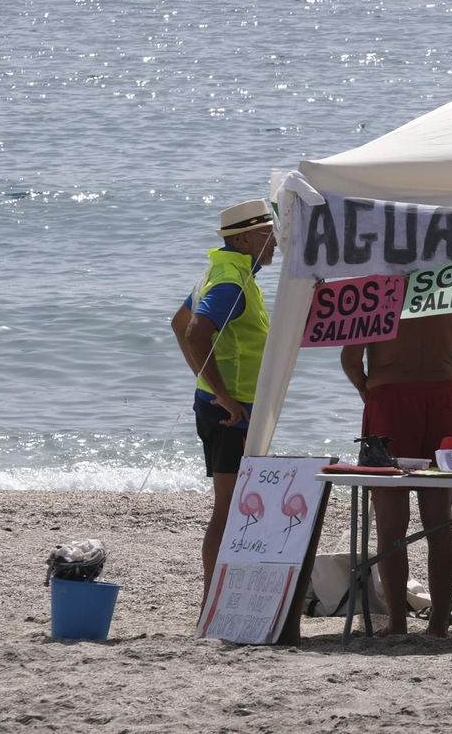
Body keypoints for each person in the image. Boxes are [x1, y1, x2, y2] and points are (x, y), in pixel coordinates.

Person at [342, 311, 452, 637]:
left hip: (388, 398)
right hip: (442, 398)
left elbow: (351, 359)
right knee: (439, 522)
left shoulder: (378, 295)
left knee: (391, 523)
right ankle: (438, 625)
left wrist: (367, 388)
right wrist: (443, 378)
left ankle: (397, 623)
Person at [170, 198, 277, 604]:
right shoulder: (231, 280)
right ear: (246, 237)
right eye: (269, 236)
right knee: (229, 508)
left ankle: (222, 594)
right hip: (233, 412)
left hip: (227, 405)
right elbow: (194, 332)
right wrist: (222, 395)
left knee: (232, 505)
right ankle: (215, 600)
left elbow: (177, 324)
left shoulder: (225, 269)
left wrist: (205, 384)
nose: (276, 244)